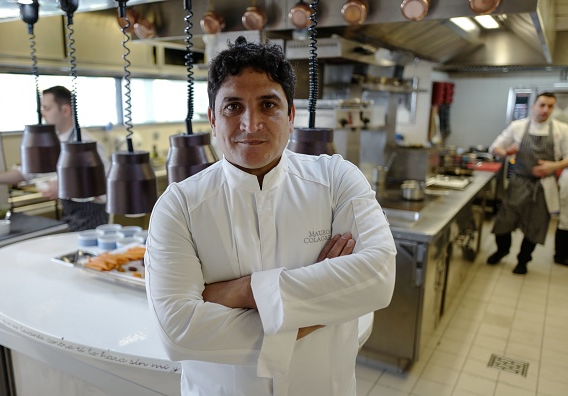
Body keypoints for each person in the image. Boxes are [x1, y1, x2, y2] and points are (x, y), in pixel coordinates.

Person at [144, 36, 397, 396]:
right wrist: (326, 300)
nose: (251, 123)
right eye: (233, 106)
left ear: (291, 116)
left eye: (268, 104)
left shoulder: (336, 179)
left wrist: (240, 292)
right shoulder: (179, 206)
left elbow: (377, 278)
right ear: (213, 120)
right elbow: (177, 333)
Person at [0, 85, 109, 231]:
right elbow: (26, 172)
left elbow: (105, 185)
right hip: (70, 216)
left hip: (92, 219)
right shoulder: (49, 143)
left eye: (47, 108)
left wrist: (65, 189)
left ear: (65, 110)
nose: (43, 114)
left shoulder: (87, 144)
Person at [487, 92, 568, 274]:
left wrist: (554, 165)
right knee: (504, 222)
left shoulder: (561, 130)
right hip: (518, 183)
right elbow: (494, 148)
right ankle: (502, 250)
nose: (545, 109)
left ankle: (523, 260)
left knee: (535, 226)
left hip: (544, 186)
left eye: (550, 106)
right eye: (542, 105)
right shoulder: (518, 127)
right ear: (533, 106)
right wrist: (507, 151)